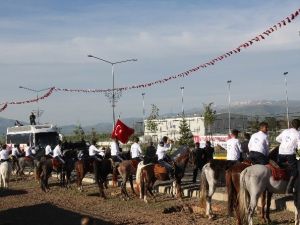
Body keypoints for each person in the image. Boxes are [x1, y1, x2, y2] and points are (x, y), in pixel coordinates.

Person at [276, 119, 300, 194]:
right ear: (299, 126)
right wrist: (298, 157)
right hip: (290, 154)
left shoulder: (285, 131)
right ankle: (289, 188)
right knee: (295, 171)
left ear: (291, 125)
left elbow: (277, 139)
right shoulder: (298, 133)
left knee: (279, 167)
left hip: (280, 153)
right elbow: (299, 147)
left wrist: (284, 142)